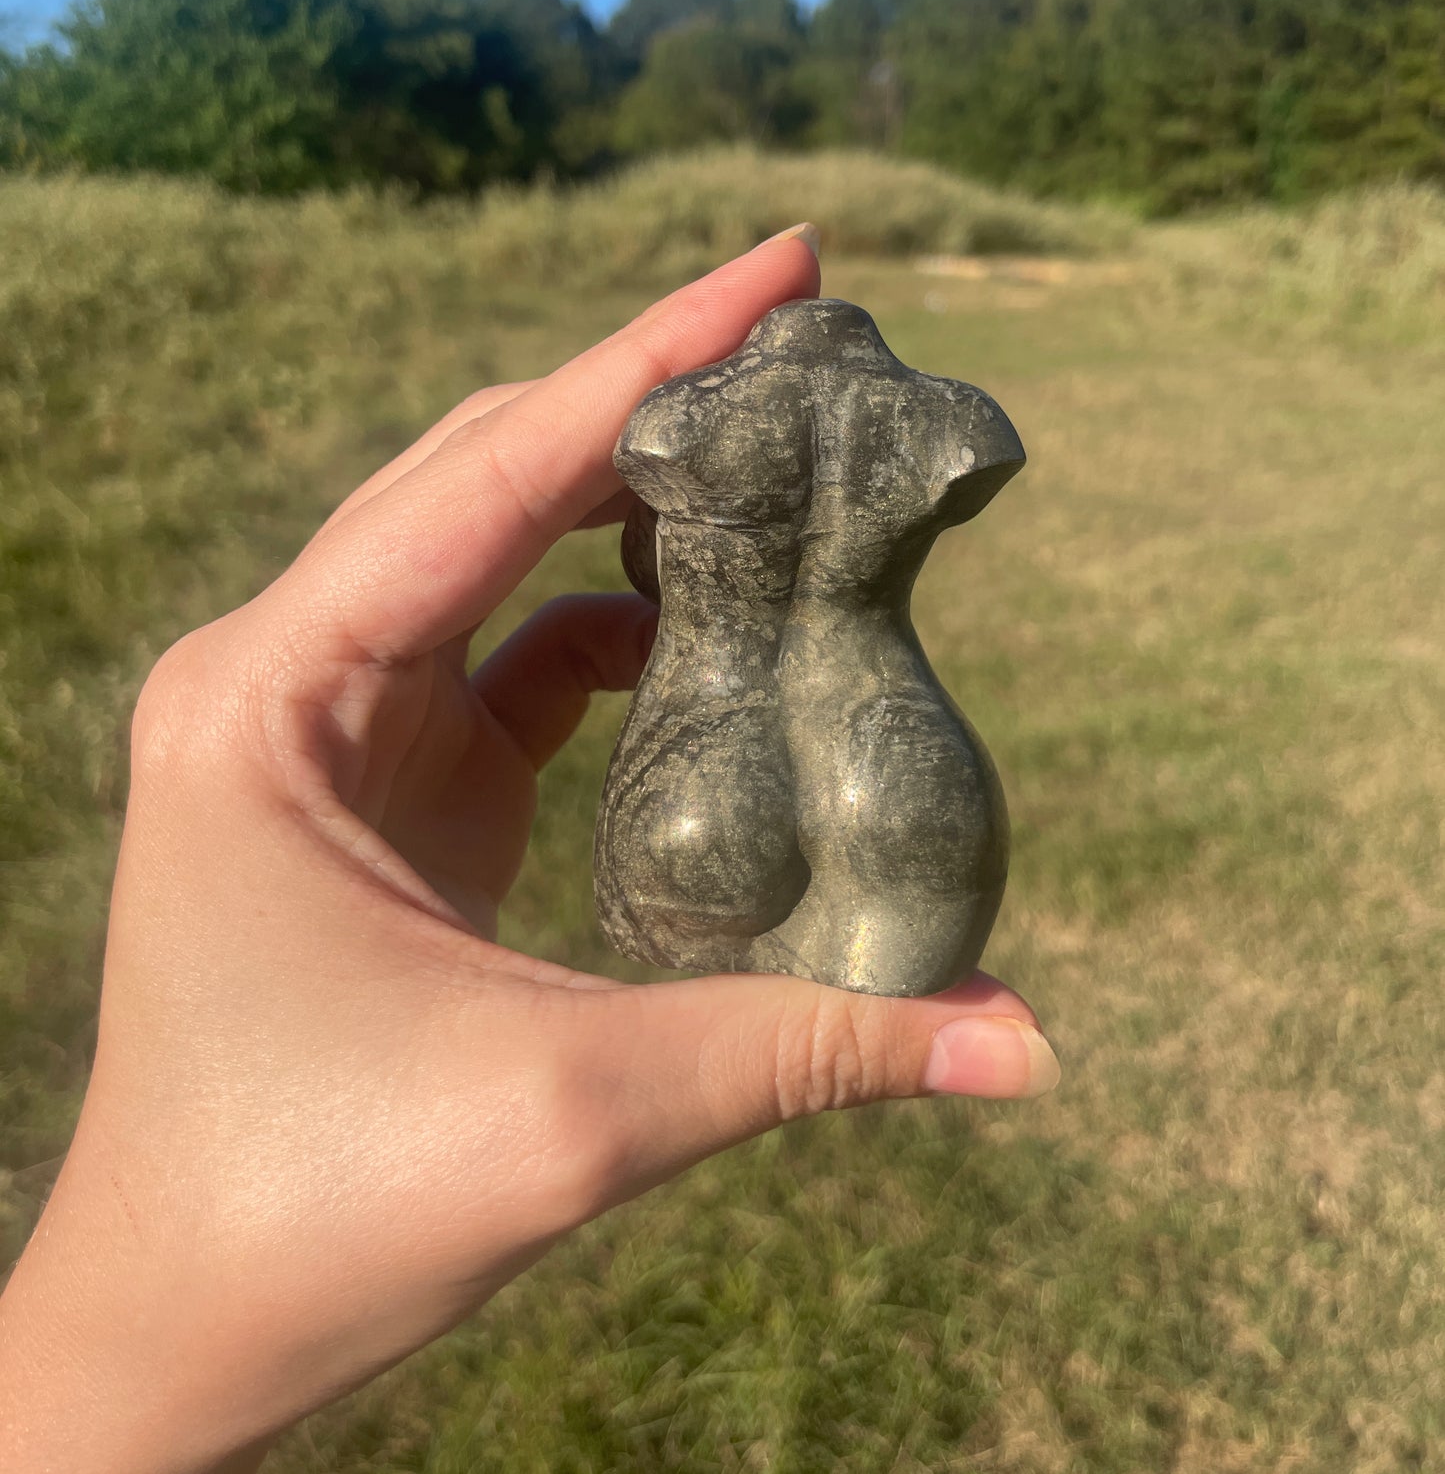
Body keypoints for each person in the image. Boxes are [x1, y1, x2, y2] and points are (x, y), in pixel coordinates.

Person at [0, 227, 1059, 1473]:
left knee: (707, 928)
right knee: (894, 947)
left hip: (699, 759)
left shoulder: (678, 417)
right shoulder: (950, 417)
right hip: (895, 747)